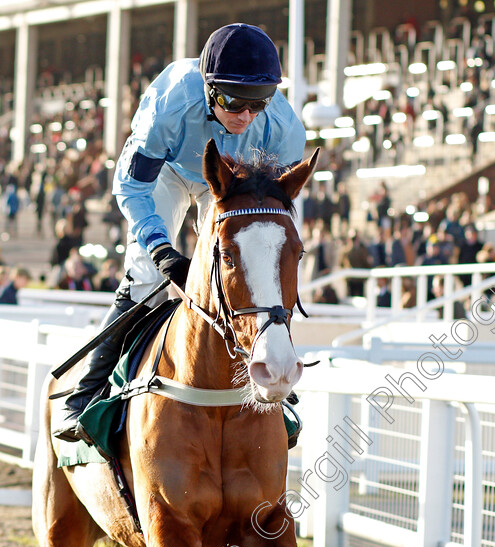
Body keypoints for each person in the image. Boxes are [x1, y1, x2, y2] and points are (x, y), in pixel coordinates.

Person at [53, 23, 306, 442]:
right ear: (208, 89)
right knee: (147, 278)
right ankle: (85, 394)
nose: (245, 116)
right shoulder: (170, 102)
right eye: (233, 102)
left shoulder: (283, 129)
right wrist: (158, 247)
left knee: (245, 273)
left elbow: (270, 215)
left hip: (228, 181)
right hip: (166, 172)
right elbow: (131, 185)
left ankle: (273, 382)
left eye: (257, 104)